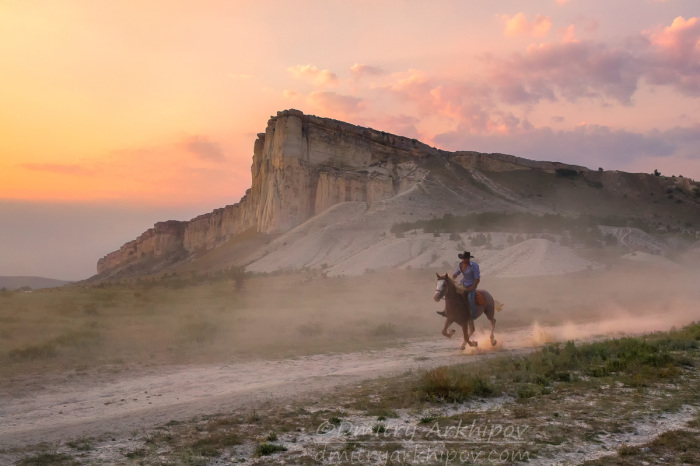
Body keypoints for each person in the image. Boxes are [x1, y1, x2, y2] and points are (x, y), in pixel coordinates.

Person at [453, 251, 480, 319]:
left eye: (465, 259)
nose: (463, 260)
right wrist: (451, 279)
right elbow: (456, 273)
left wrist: (473, 287)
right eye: (462, 259)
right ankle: (450, 311)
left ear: (468, 258)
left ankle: (473, 315)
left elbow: (477, 279)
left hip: (472, 284)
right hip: (463, 283)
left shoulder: (474, 266)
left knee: (470, 298)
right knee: (453, 293)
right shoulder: (460, 265)